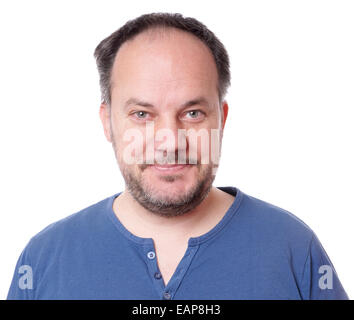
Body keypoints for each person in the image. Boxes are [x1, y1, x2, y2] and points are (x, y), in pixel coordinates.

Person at [7, 12, 348, 300]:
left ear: (222, 119)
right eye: (142, 114)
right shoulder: (43, 261)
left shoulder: (293, 249)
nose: (170, 142)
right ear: (107, 123)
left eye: (193, 113)